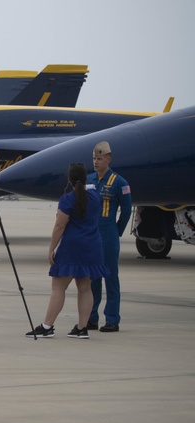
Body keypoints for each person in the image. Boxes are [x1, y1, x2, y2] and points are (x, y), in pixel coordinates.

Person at [27, 163, 109, 339]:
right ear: (86, 178)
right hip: (92, 245)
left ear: (69, 180)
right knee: (85, 287)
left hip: (73, 247)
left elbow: (59, 225)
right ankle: (82, 327)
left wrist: (51, 248)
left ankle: (47, 325)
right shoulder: (95, 196)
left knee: (58, 287)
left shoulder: (68, 199)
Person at [87, 141, 131, 332]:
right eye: (94, 159)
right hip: (91, 235)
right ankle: (91, 318)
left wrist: (116, 231)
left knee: (110, 277)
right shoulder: (89, 181)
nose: (96, 162)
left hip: (108, 235)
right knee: (92, 279)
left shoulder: (120, 183)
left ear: (108, 159)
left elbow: (127, 210)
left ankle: (112, 319)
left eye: (100, 158)